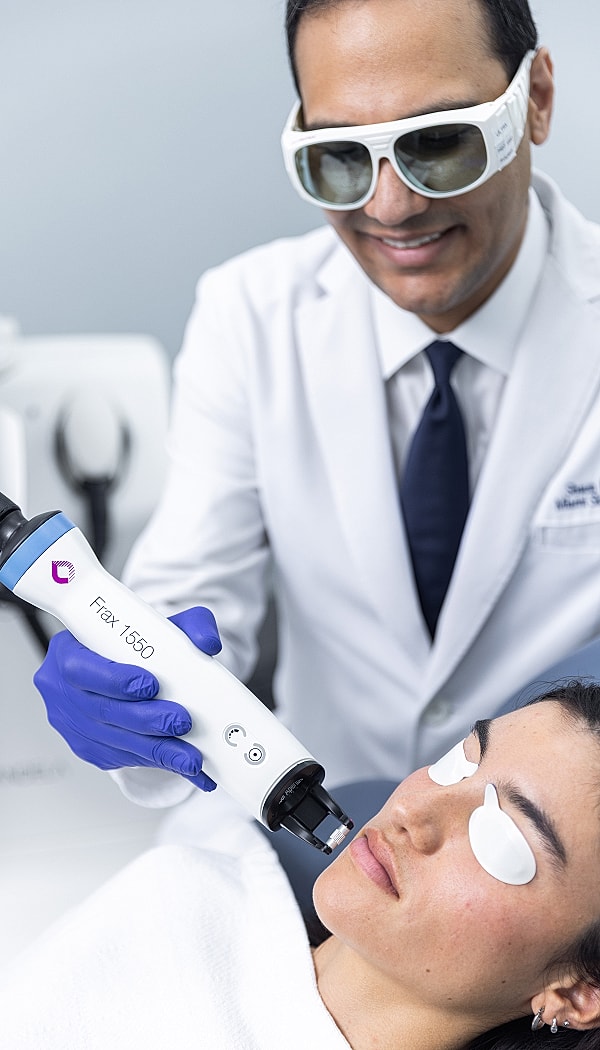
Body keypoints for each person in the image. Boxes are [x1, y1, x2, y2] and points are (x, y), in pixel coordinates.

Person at [33, 0, 600, 821]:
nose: (392, 206)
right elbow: (191, 592)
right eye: (339, 157)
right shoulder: (251, 315)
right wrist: (127, 673)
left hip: (557, 864)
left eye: (440, 143)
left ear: (535, 100)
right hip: (320, 833)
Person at [3, 680, 600, 1049]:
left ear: (577, 996)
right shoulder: (182, 893)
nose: (414, 813)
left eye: (501, 835)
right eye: (458, 762)